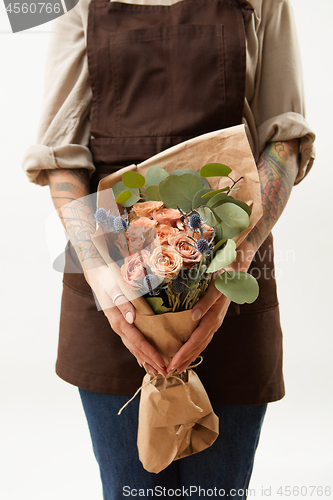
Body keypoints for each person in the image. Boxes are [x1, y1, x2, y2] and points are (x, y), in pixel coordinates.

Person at [22, 0, 315, 498]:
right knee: (129, 489)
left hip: (230, 278)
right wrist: (105, 282)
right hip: (109, 287)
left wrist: (231, 262)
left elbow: (283, 142)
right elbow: (60, 156)